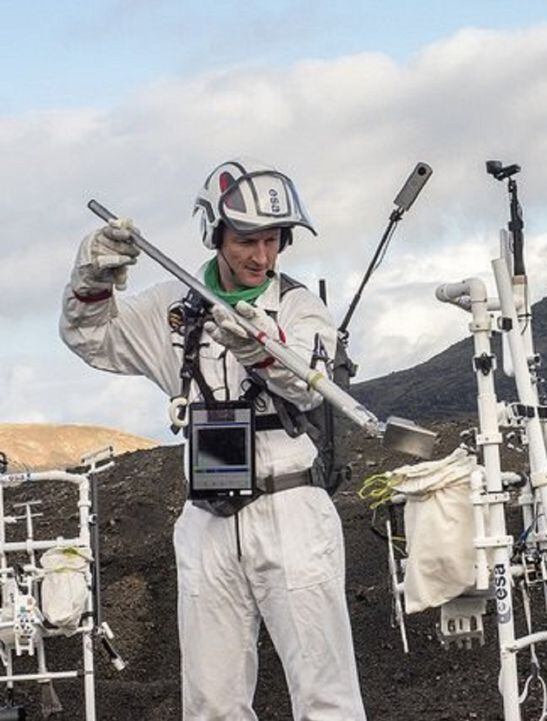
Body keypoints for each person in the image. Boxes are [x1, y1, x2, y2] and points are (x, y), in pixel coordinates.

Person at [60, 158, 368, 719]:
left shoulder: (300, 307)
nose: (262, 257)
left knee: (327, 698)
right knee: (210, 704)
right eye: (247, 240)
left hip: (292, 510)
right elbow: (90, 338)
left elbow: (308, 387)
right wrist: (92, 276)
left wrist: (257, 343)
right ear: (215, 233)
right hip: (207, 518)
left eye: (273, 241)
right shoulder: (167, 310)